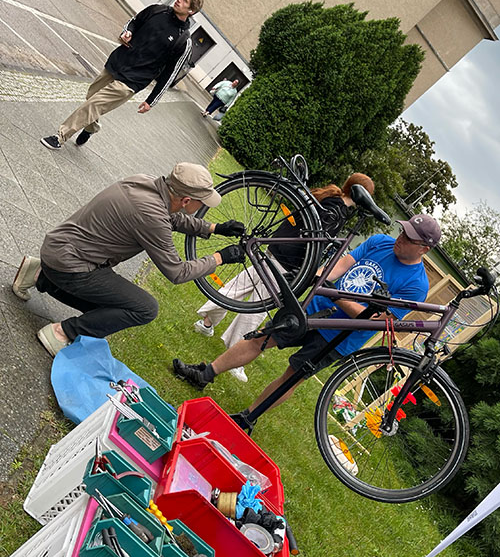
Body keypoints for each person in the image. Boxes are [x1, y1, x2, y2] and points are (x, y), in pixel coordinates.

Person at [173, 214, 441, 421]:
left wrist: (338, 297)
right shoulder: (380, 242)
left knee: (292, 376)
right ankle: (205, 374)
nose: (400, 237)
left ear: (423, 249)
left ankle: (247, 417)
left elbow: (375, 321)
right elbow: (343, 264)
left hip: (338, 338)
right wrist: (319, 277)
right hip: (315, 307)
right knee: (261, 339)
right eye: (403, 231)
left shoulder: (416, 286)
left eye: (409, 238)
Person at [12, 163, 244, 357]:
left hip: (56, 250)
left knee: (108, 314)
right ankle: (61, 332)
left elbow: (171, 218)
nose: (203, 205)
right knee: (144, 309)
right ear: (185, 200)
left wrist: (214, 228)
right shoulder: (151, 216)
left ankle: (39, 275)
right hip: (72, 266)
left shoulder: (145, 182)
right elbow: (177, 272)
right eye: (201, 201)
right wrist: (219, 258)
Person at [193, 173, 375, 382]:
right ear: (362, 195)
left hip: (274, 251)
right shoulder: (336, 212)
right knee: (257, 309)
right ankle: (237, 358)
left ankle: (207, 322)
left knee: (237, 288)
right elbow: (313, 242)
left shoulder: (326, 197)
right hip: (287, 263)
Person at [40, 0, 203, 150]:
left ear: (191, 11)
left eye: (184, 0)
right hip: (118, 62)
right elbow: (133, 22)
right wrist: (128, 32)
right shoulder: (157, 10)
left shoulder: (184, 40)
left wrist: (151, 101)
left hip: (134, 80)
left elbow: (170, 74)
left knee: (94, 104)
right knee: (91, 95)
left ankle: (60, 137)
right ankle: (91, 127)